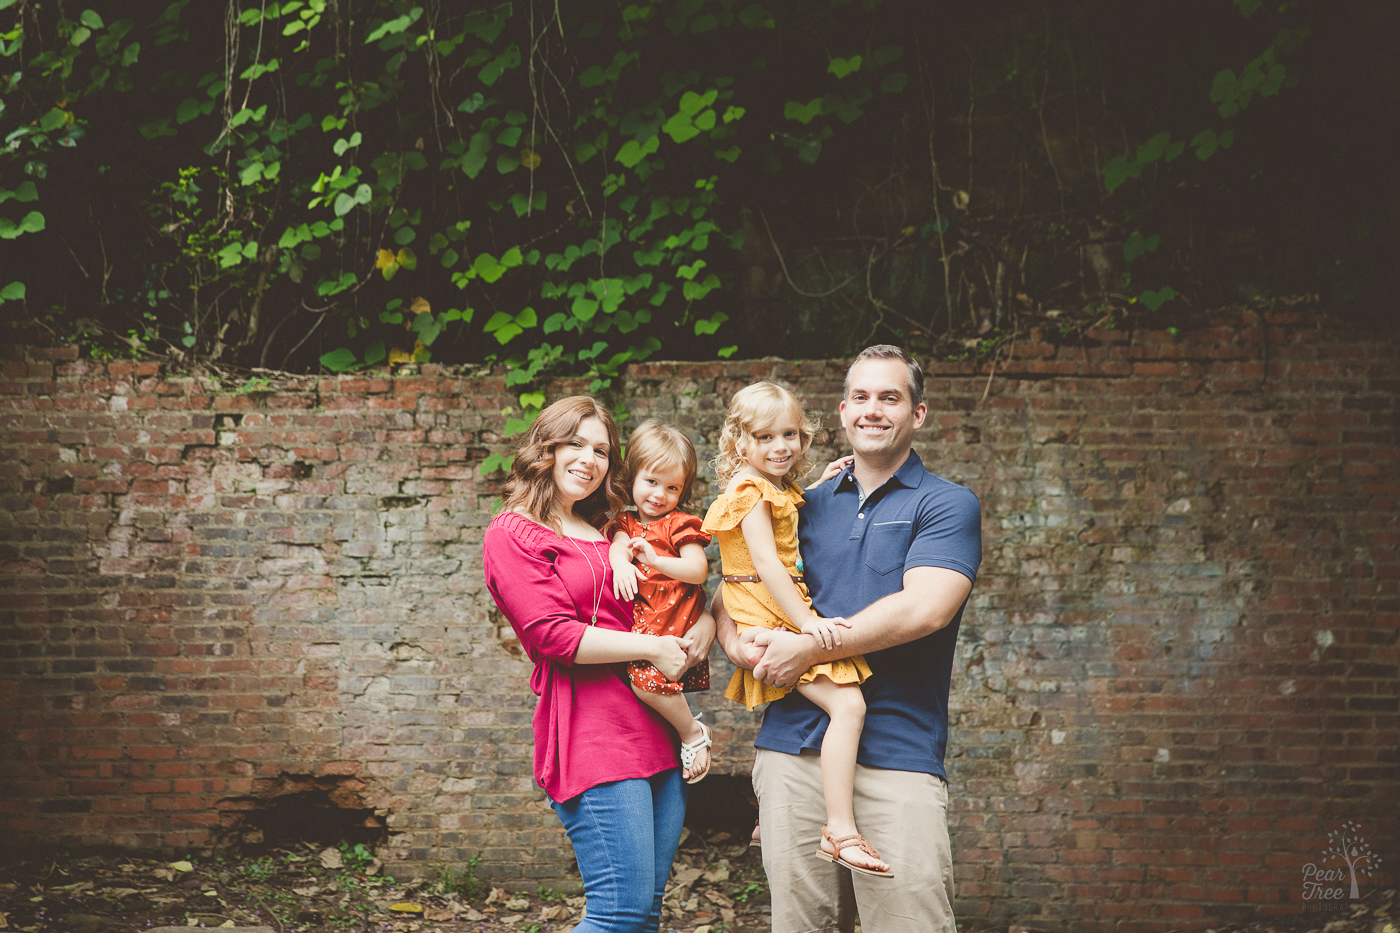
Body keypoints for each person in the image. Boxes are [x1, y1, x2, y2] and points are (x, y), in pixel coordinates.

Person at [715, 347, 982, 933]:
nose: (873, 410)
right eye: (861, 397)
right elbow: (734, 580)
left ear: (919, 414)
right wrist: (734, 642)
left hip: (897, 755)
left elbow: (926, 608)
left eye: (890, 397)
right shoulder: (800, 502)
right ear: (841, 410)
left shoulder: (945, 504)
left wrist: (811, 647)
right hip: (790, 752)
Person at [481, 396, 713, 933]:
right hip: (593, 731)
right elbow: (553, 636)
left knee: (646, 916)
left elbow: (672, 593)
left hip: (659, 726)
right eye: (576, 444)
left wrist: (703, 625)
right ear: (547, 448)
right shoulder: (512, 533)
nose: (589, 459)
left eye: (602, 449)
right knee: (617, 915)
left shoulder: (611, 528)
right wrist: (652, 648)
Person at [703, 381, 891, 877]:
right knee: (848, 705)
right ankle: (839, 828)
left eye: (789, 434)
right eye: (765, 437)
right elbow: (767, 561)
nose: (780, 446)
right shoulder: (748, 490)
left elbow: (781, 516)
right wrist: (808, 625)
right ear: (740, 442)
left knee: (839, 705)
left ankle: (773, 819)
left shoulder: (769, 488)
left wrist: (815, 488)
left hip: (769, 605)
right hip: (772, 607)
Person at [608, 419, 716, 784]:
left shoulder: (679, 524)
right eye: (651, 482)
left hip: (675, 617)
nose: (659, 494)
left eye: (672, 487)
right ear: (632, 476)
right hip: (649, 621)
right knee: (648, 684)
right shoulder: (624, 521)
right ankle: (679, 737)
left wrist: (654, 560)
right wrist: (621, 564)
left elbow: (698, 570)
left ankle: (692, 733)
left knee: (645, 683)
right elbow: (617, 548)